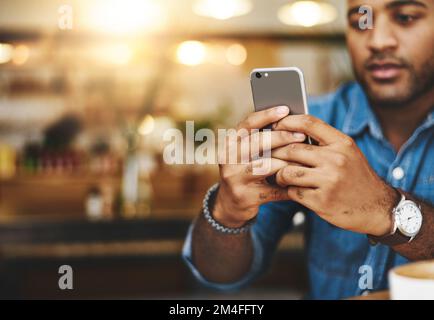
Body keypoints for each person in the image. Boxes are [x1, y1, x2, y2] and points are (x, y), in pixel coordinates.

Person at [182, 0, 434, 299]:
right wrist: (227, 213)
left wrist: (386, 211)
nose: (377, 41)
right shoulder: (303, 124)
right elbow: (220, 276)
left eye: (405, 17)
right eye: (359, 21)